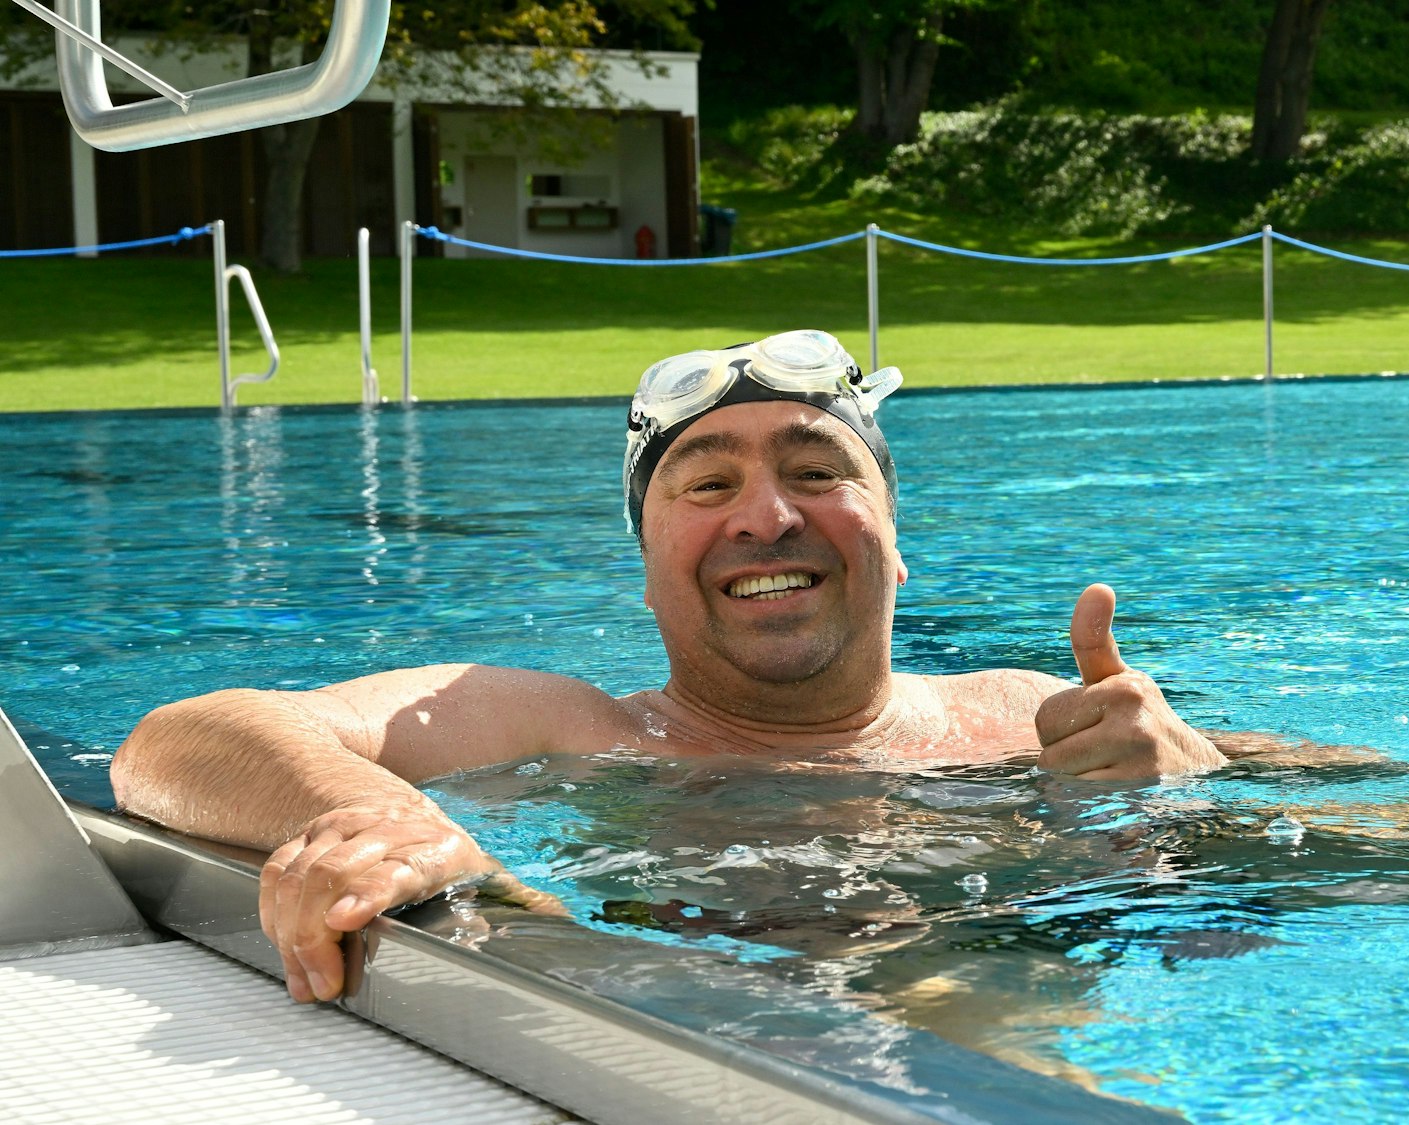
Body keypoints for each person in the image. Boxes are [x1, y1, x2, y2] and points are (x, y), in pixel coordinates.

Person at [109, 329, 1243, 1005]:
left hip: (994, 1010)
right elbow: (184, 737)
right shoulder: (564, 730)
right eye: (705, 486)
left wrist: (1201, 785)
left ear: (895, 542)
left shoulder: (1023, 715)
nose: (765, 517)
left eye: (815, 470)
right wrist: (377, 820)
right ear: (648, 566)